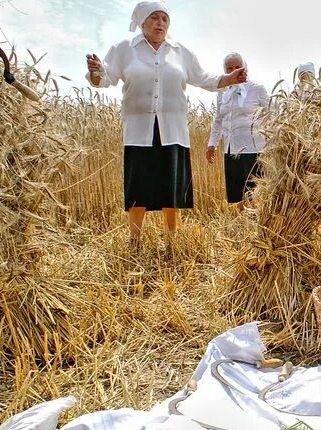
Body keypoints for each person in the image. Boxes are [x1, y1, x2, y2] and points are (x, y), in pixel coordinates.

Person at [85, 1, 246, 248]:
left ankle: (172, 239)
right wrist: (96, 72)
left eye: (164, 19)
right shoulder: (124, 49)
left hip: (173, 128)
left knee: (172, 184)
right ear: (141, 21)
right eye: (154, 18)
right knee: (138, 183)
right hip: (139, 129)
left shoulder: (180, 51)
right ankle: (134, 240)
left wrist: (228, 79)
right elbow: (104, 79)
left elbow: (202, 78)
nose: (160, 23)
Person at [206, 53, 270, 205]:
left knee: (256, 197)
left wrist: (273, 142)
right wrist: (212, 144)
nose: (234, 71)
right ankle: (242, 227)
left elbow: (273, 114)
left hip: (253, 151)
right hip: (231, 151)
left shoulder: (257, 89)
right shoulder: (222, 93)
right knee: (236, 198)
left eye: (237, 67)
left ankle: (256, 227)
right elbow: (218, 120)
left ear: (244, 68)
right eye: (229, 69)